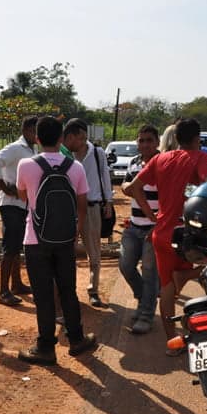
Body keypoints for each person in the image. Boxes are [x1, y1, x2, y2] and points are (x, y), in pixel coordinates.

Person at [129, 118, 207, 355]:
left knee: (167, 288)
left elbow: (132, 187)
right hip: (192, 233)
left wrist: (152, 215)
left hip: (162, 234)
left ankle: (173, 342)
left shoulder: (160, 159)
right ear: (196, 140)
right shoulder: (200, 158)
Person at [16, 116, 96, 365]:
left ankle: (46, 347)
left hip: (35, 239)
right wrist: (75, 231)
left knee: (43, 294)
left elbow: (23, 196)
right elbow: (81, 206)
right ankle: (77, 339)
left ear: (38, 138)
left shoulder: (25, 165)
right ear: (61, 138)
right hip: (64, 239)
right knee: (67, 290)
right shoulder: (76, 168)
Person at [0, 116, 38, 306]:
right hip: (10, 204)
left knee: (17, 246)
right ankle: (3, 291)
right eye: (34, 130)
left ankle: (16, 284)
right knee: (10, 248)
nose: (37, 134)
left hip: (23, 205)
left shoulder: (33, 149)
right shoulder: (16, 148)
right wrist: (5, 187)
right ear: (25, 130)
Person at [65, 120, 113, 308]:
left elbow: (105, 176)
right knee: (67, 251)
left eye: (85, 138)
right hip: (69, 208)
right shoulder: (65, 154)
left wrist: (108, 201)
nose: (83, 141)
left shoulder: (97, 153)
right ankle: (68, 292)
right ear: (71, 137)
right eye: (80, 137)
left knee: (94, 252)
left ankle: (93, 291)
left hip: (92, 207)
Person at [119, 125, 160, 335]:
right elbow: (125, 186)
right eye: (141, 140)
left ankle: (146, 315)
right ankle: (144, 298)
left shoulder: (162, 164)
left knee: (150, 272)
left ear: (157, 142)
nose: (144, 144)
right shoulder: (134, 162)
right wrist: (129, 188)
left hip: (154, 228)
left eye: (149, 140)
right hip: (134, 225)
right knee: (125, 265)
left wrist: (131, 189)